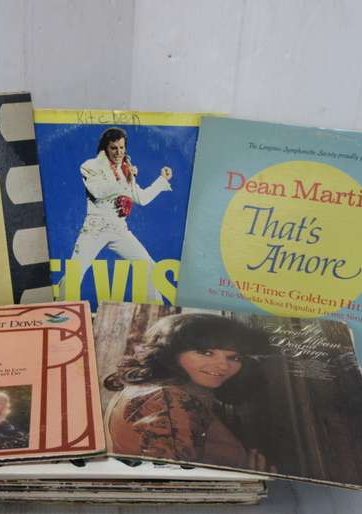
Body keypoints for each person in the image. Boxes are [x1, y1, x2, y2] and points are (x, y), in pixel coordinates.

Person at [104, 312, 274, 472]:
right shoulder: (167, 399)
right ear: (170, 352)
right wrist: (247, 479)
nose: (223, 366)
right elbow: (170, 484)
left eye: (233, 358)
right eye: (206, 353)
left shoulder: (156, 390)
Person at [60, 127, 173, 302]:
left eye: (122, 148)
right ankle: (60, 311)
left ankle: (155, 308)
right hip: (95, 230)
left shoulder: (126, 169)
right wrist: (125, 180)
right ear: (105, 148)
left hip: (119, 230)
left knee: (147, 266)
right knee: (74, 273)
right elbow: (98, 192)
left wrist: (162, 180)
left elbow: (141, 198)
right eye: (114, 148)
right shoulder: (90, 166)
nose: (119, 152)